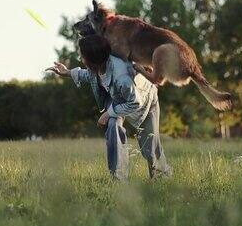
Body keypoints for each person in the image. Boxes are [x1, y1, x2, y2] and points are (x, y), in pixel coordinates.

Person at [46, 35, 172, 180]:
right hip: (118, 98)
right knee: (113, 126)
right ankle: (118, 178)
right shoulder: (98, 66)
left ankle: (162, 178)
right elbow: (91, 75)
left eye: (82, 55)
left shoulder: (122, 77)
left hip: (144, 100)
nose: (80, 58)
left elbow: (134, 103)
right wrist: (67, 72)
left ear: (92, 59)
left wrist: (108, 113)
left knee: (150, 146)